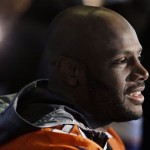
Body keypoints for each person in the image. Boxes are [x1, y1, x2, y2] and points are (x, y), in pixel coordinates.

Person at [0, 5, 149, 150]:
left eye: (139, 56)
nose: (143, 73)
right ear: (70, 71)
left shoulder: (100, 130)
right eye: (122, 61)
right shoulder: (55, 144)